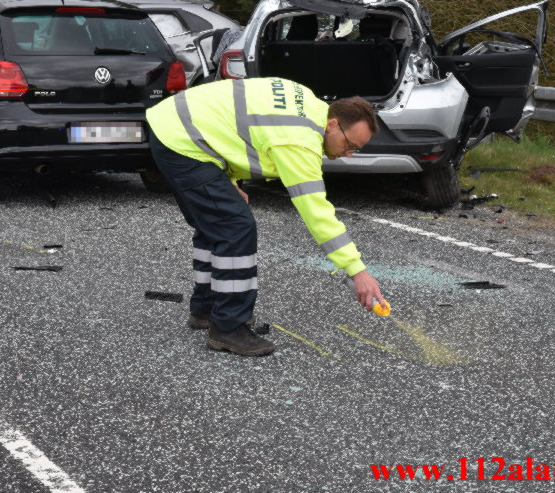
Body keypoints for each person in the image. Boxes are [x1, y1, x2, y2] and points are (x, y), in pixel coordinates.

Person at [146, 77, 387, 357]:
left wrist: (229, 179)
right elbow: (316, 212)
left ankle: (207, 310)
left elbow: (239, 128)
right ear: (333, 124)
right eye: (350, 145)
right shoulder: (300, 140)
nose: (348, 154)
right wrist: (357, 271)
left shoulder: (309, 104)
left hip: (176, 126)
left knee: (216, 223)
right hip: (182, 139)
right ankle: (228, 327)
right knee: (235, 227)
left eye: (355, 150)